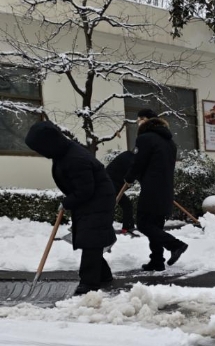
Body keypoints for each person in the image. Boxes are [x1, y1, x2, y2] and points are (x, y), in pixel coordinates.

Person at [24, 120, 116, 295]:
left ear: (48, 144)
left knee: (91, 240)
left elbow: (85, 190)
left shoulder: (75, 158)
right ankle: (103, 275)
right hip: (93, 199)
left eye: (39, 148)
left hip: (98, 200)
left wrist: (67, 202)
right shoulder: (63, 152)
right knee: (91, 238)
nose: (39, 152)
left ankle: (89, 283)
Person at [125, 109, 188, 271]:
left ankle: (175, 245)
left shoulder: (145, 138)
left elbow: (138, 162)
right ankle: (157, 260)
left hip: (151, 189)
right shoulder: (169, 142)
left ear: (149, 120)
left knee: (144, 224)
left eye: (141, 118)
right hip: (166, 189)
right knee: (155, 226)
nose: (139, 122)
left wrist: (129, 178)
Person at [105, 150, 136, 233]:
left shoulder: (128, 155)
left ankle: (128, 227)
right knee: (124, 205)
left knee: (126, 205)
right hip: (110, 184)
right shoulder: (132, 160)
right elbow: (132, 175)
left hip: (109, 182)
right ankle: (127, 227)